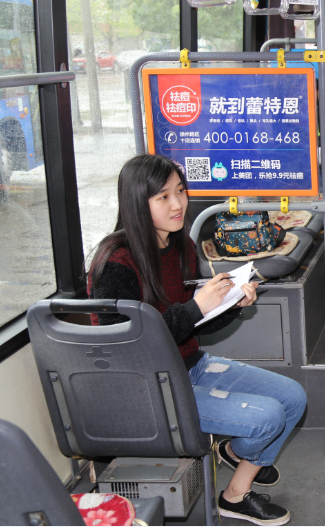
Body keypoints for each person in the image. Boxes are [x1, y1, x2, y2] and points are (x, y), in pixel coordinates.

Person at [88, 155, 306, 526]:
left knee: (293, 397)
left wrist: (231, 304)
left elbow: (193, 326)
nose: (177, 204)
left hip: (191, 365)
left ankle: (235, 487)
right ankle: (241, 476)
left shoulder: (181, 247)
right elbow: (124, 350)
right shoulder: (115, 262)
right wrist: (194, 308)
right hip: (146, 387)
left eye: (180, 191)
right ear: (137, 203)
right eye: (163, 197)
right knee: (268, 417)